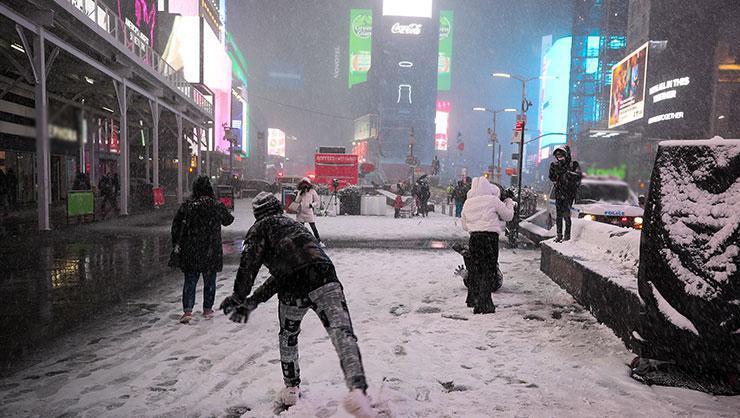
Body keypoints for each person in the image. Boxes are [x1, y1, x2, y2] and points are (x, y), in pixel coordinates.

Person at [219, 192, 374, 416]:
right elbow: (296, 267)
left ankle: (291, 387)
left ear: (257, 214)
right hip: (325, 277)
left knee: (288, 337)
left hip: (292, 289)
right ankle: (358, 390)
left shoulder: (259, 229)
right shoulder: (296, 227)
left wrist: (240, 297)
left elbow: (250, 267)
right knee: (342, 334)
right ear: (278, 209)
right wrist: (252, 300)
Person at [171, 175, 234, 324]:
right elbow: (228, 220)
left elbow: (176, 227)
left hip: (191, 249)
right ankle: (207, 309)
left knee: (190, 280)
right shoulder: (216, 205)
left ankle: (187, 310)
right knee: (210, 280)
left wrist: (177, 244)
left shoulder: (188, 206)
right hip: (211, 249)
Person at [460, 176, 515, 314]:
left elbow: (465, 225)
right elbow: (508, 216)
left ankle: (473, 299)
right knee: (488, 270)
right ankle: (484, 304)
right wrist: (509, 203)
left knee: (476, 270)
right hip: (489, 238)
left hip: (474, 238)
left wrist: (476, 225)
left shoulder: (468, 203)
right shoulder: (492, 200)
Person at [549, 145, 582, 242]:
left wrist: (568, 174)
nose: (560, 158)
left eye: (561, 156)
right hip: (559, 193)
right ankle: (559, 234)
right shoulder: (554, 165)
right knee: (559, 215)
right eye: (558, 156)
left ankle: (567, 235)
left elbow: (578, 176)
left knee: (566, 215)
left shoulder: (573, 165)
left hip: (569, 193)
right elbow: (552, 177)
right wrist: (556, 172)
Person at [294, 177, 324, 246]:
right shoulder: (300, 191)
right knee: (301, 228)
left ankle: (319, 241)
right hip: (301, 212)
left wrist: (312, 205)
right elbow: (297, 201)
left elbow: (317, 201)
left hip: (309, 212)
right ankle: (301, 241)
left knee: (313, 227)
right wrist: (295, 208)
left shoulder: (312, 191)